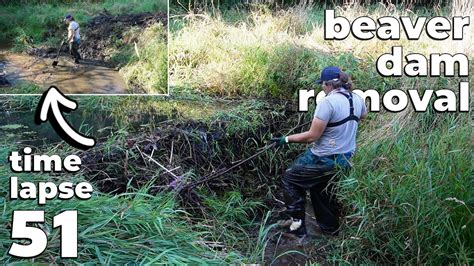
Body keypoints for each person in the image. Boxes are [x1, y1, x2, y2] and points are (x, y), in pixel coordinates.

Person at [270, 66, 368, 237]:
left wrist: (285, 139)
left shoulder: (327, 102)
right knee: (321, 190)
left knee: (290, 178)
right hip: (345, 160)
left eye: (322, 84)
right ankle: (330, 232)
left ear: (328, 84)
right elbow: (362, 117)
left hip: (324, 158)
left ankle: (297, 228)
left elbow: (312, 136)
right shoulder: (358, 99)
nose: (321, 88)